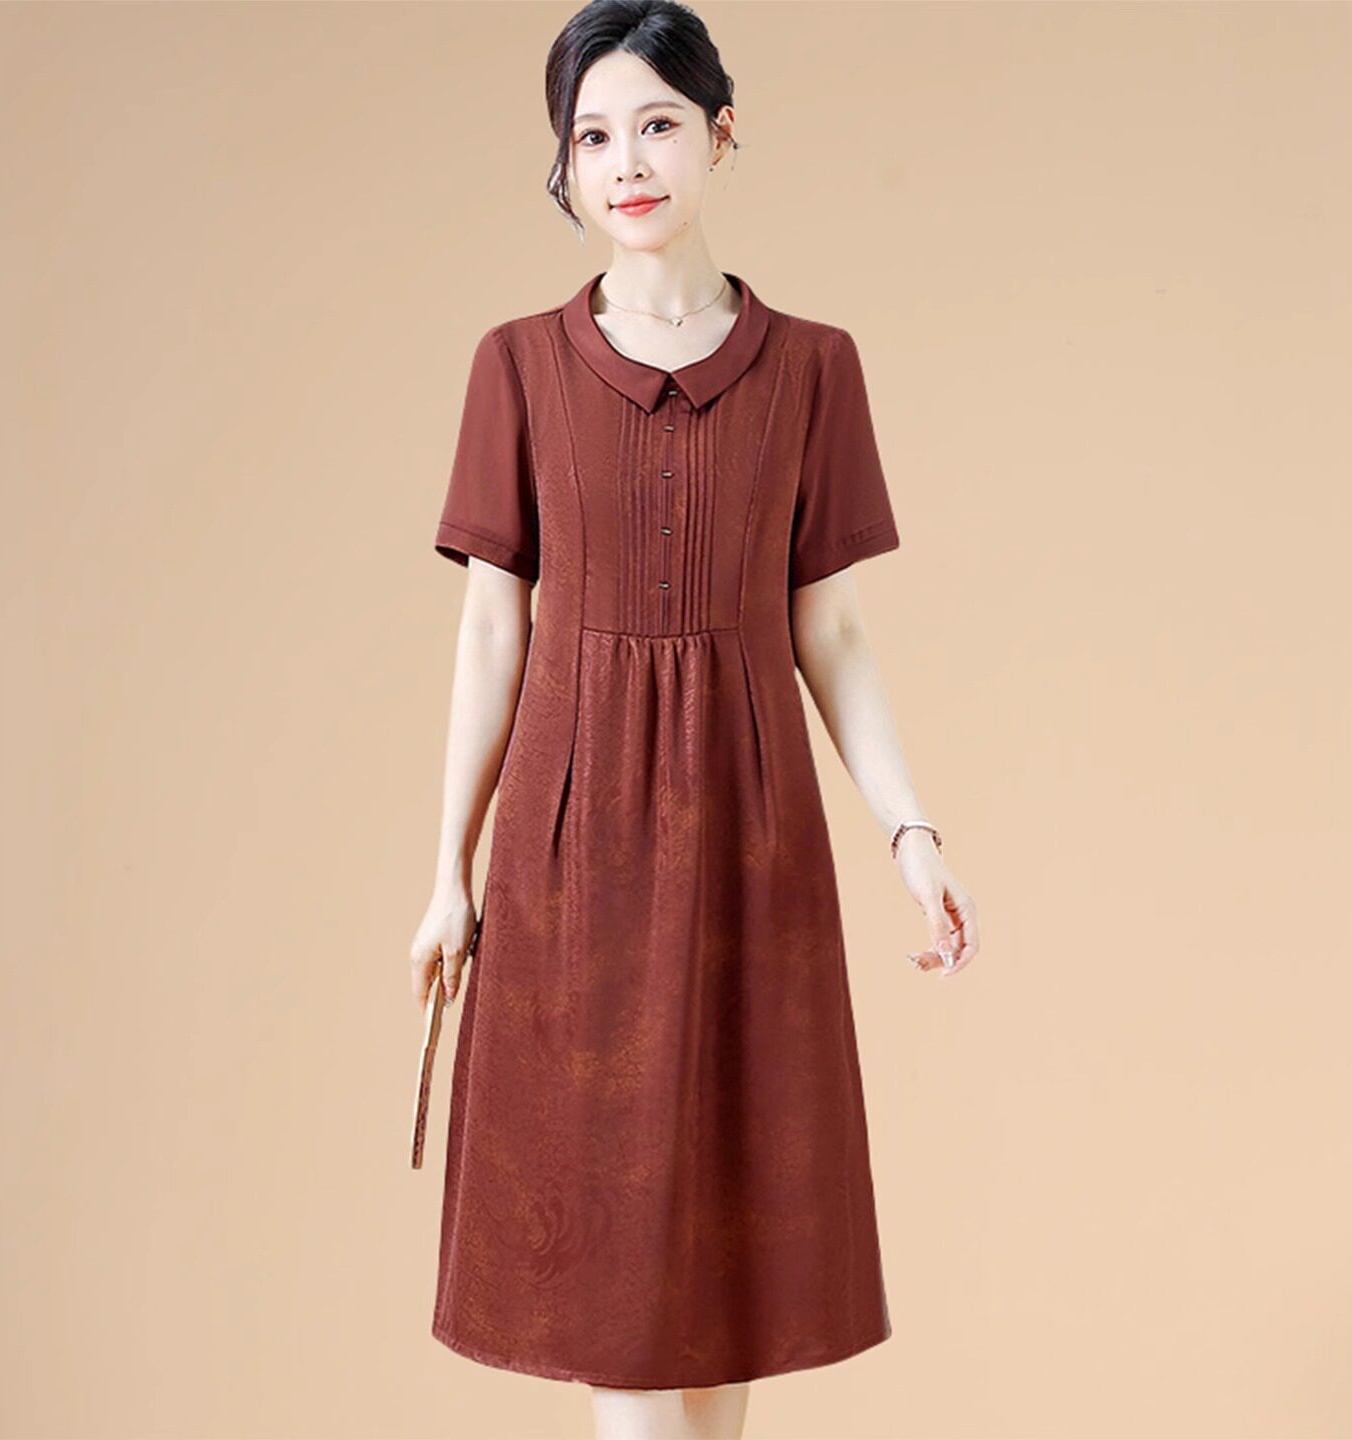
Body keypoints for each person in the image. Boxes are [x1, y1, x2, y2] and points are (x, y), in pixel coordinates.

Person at [409, 2, 980, 1435]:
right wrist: (448, 875)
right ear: (565, 165)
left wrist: (910, 833)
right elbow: (491, 631)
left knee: (729, 1268)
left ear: (723, 132)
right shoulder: (518, 366)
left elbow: (829, 631)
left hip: (749, 845)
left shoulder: (814, 367)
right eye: (592, 136)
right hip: (573, 852)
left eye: (656, 124)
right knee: (613, 1285)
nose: (626, 163)